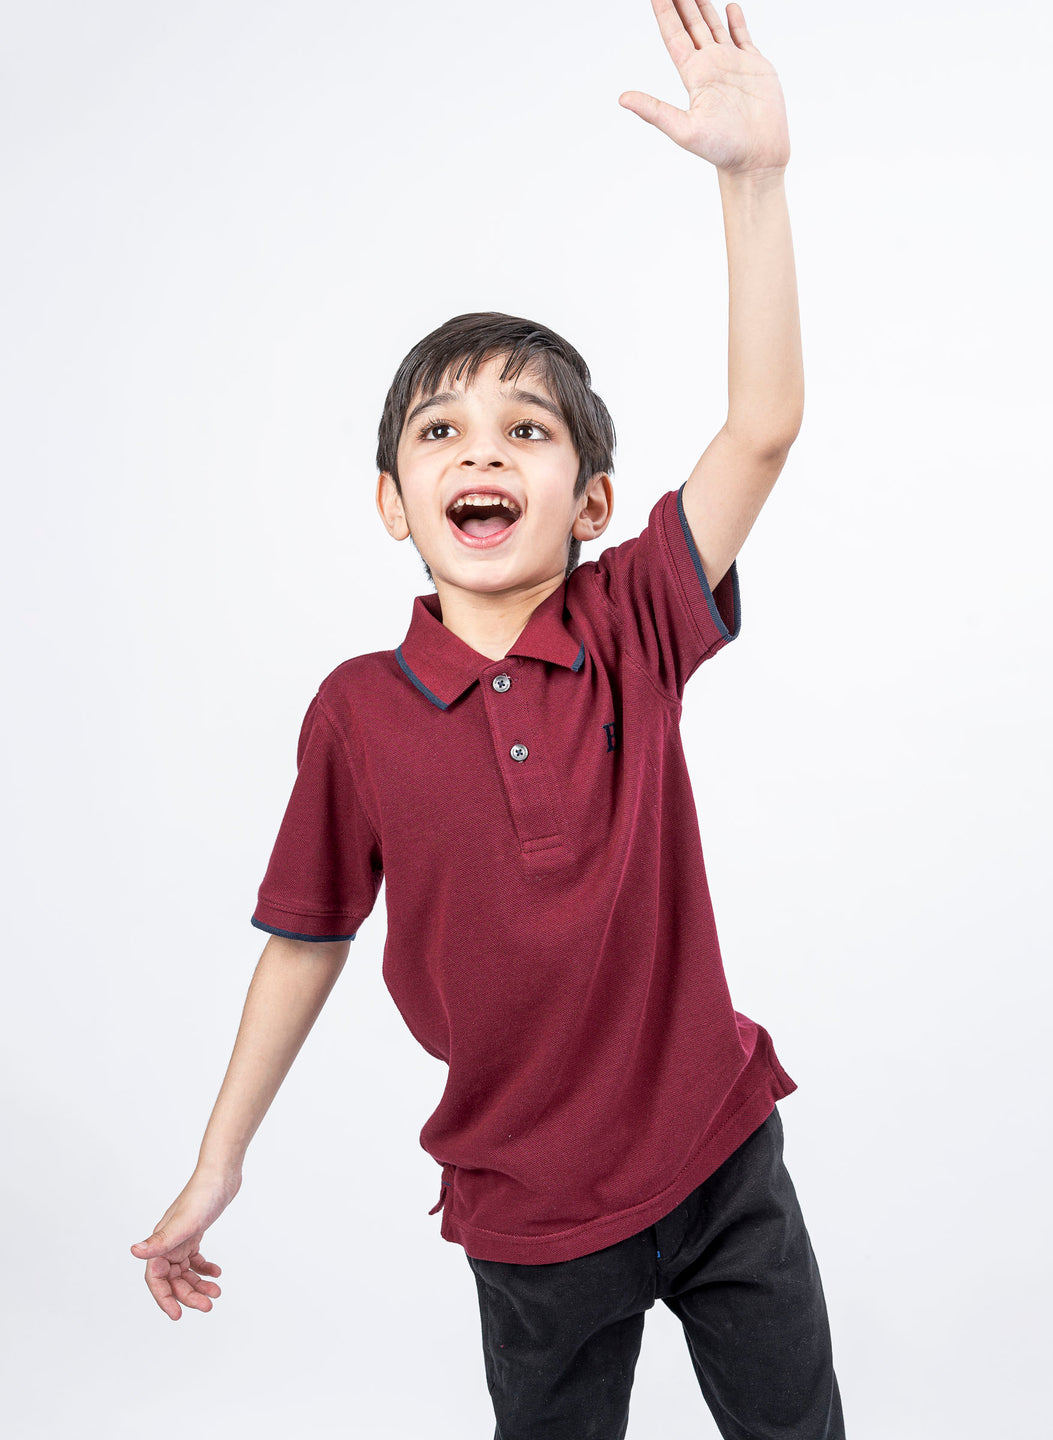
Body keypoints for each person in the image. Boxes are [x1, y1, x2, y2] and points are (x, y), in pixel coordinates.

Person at [131, 3, 845, 1435]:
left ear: (587, 504)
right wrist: (220, 1164)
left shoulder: (635, 619)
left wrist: (751, 183)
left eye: (528, 428)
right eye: (442, 430)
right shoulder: (355, 714)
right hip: (530, 1212)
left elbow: (762, 426)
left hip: (722, 1158)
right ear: (396, 502)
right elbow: (305, 941)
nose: (484, 449)